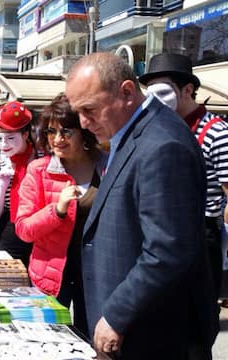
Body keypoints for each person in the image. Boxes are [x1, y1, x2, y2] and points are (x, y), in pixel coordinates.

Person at [65, 52, 218, 358]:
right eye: (78, 112)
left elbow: (168, 249)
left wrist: (117, 314)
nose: (83, 122)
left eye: (90, 109)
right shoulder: (135, 134)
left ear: (126, 92)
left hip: (154, 334)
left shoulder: (163, 144)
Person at [139, 53, 228, 300]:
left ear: (187, 89)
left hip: (201, 235)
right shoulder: (154, 129)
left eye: (163, 90)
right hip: (158, 234)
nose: (154, 99)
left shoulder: (217, 133)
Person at [15, 94, 105, 336]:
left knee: (94, 340)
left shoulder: (107, 166)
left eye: (66, 132)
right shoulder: (39, 170)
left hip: (96, 273)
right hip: (51, 274)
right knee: (49, 339)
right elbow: (23, 229)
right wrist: (57, 210)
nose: (56, 139)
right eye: (50, 132)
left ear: (83, 130)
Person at [0, 101, 36, 265]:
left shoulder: (42, 163)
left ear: (25, 135)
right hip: (7, 244)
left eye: (11, 138)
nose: (4, 145)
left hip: (39, 246)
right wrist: (2, 186)